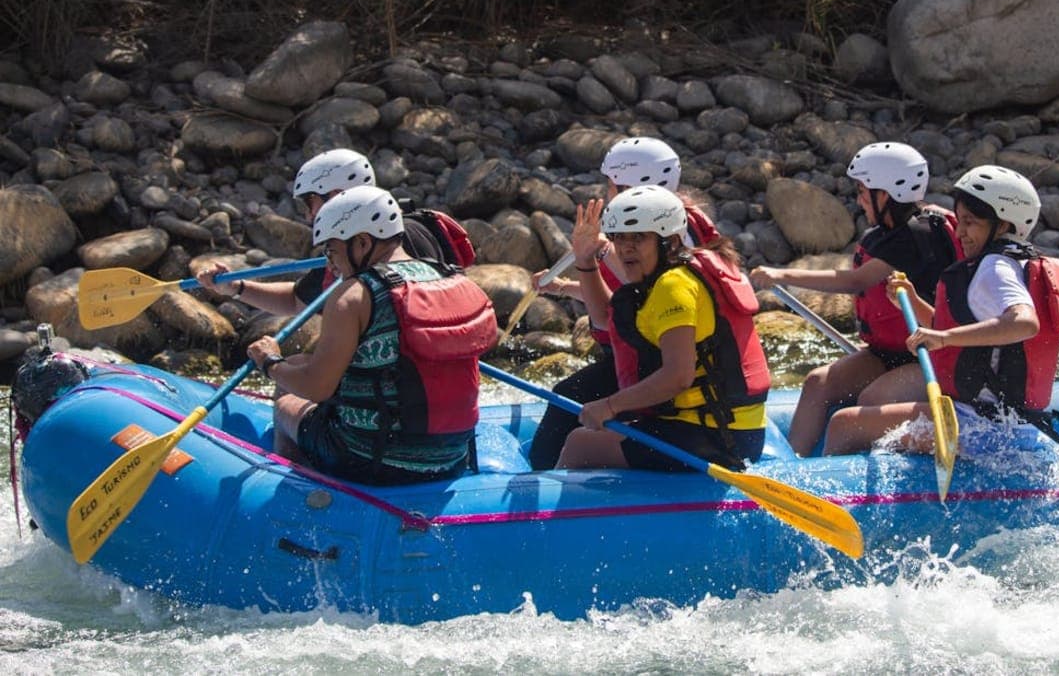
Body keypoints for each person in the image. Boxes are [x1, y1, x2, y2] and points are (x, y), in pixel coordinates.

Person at [245, 186, 497, 484]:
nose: (330, 264)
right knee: (304, 368)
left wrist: (270, 362)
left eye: (332, 250)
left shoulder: (353, 296)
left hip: (369, 459)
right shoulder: (450, 276)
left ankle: (299, 498)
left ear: (362, 242)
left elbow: (315, 387)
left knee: (287, 405)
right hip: (453, 458)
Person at [821, 165, 1053, 455]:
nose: (961, 232)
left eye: (970, 223)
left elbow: (1024, 323)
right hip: (1006, 423)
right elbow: (968, 337)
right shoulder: (1013, 262)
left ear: (1003, 225)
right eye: (960, 220)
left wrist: (944, 339)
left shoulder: (995, 267)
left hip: (981, 427)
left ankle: (825, 496)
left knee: (844, 424)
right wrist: (914, 302)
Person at [750, 142, 961, 456]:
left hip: (928, 356)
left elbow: (856, 281)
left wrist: (782, 275)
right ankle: (791, 470)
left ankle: (843, 479)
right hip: (887, 352)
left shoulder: (918, 236)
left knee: (871, 402)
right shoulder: (886, 232)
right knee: (817, 383)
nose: (859, 199)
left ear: (886, 194)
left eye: (863, 191)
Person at [526, 137, 719, 469]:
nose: (607, 192)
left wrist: (601, 250)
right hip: (640, 348)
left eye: (612, 185)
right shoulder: (664, 223)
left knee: (565, 400)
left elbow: (647, 291)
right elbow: (619, 306)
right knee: (570, 399)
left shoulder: (669, 238)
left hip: (661, 358)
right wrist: (564, 285)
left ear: (635, 184)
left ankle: (540, 482)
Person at [552, 185, 769, 471]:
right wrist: (585, 259)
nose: (626, 247)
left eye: (639, 238)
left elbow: (678, 377)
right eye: (619, 238)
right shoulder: (664, 278)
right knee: (591, 435)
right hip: (715, 425)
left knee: (582, 444)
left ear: (668, 241)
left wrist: (609, 405)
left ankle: (557, 517)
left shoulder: (673, 286)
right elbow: (608, 319)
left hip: (718, 434)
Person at [196, 147, 469, 313]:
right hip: (429, 379)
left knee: (290, 381)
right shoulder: (400, 231)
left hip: (397, 389)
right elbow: (298, 301)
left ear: (337, 195)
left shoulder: (367, 248)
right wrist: (237, 287)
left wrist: (273, 365)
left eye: (310, 202)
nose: (309, 214)